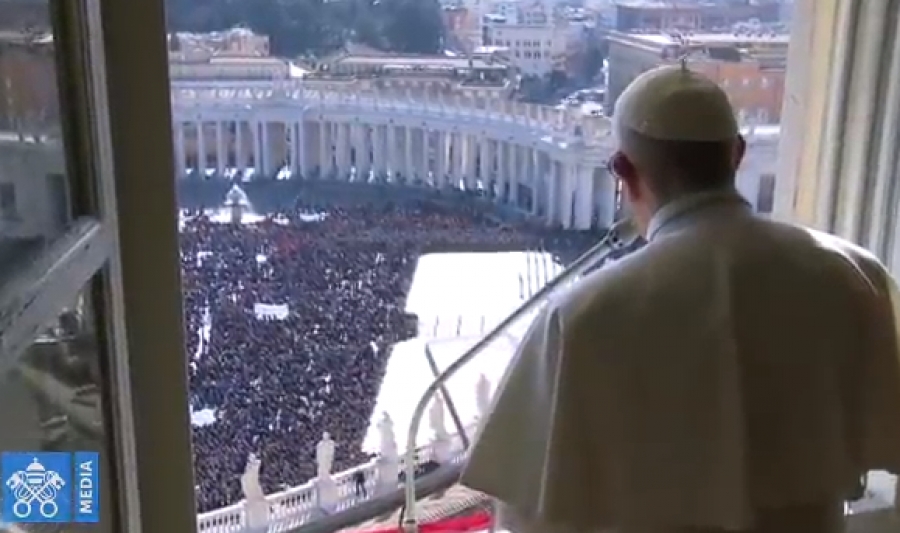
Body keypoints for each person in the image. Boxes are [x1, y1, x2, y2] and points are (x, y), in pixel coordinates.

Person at [461, 64, 900, 533]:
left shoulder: (583, 316)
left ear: (622, 171)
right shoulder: (854, 273)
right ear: (738, 155)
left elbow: (527, 514)